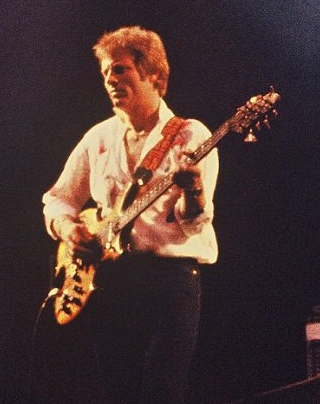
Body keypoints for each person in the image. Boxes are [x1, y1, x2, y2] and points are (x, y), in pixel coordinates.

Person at [42, 25, 217, 404]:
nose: (110, 80)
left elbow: (192, 221)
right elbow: (57, 199)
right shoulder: (98, 138)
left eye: (120, 70)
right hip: (114, 281)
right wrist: (69, 229)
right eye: (105, 73)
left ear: (153, 74)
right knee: (114, 390)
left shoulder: (190, 135)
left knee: (162, 389)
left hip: (170, 280)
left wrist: (193, 188)